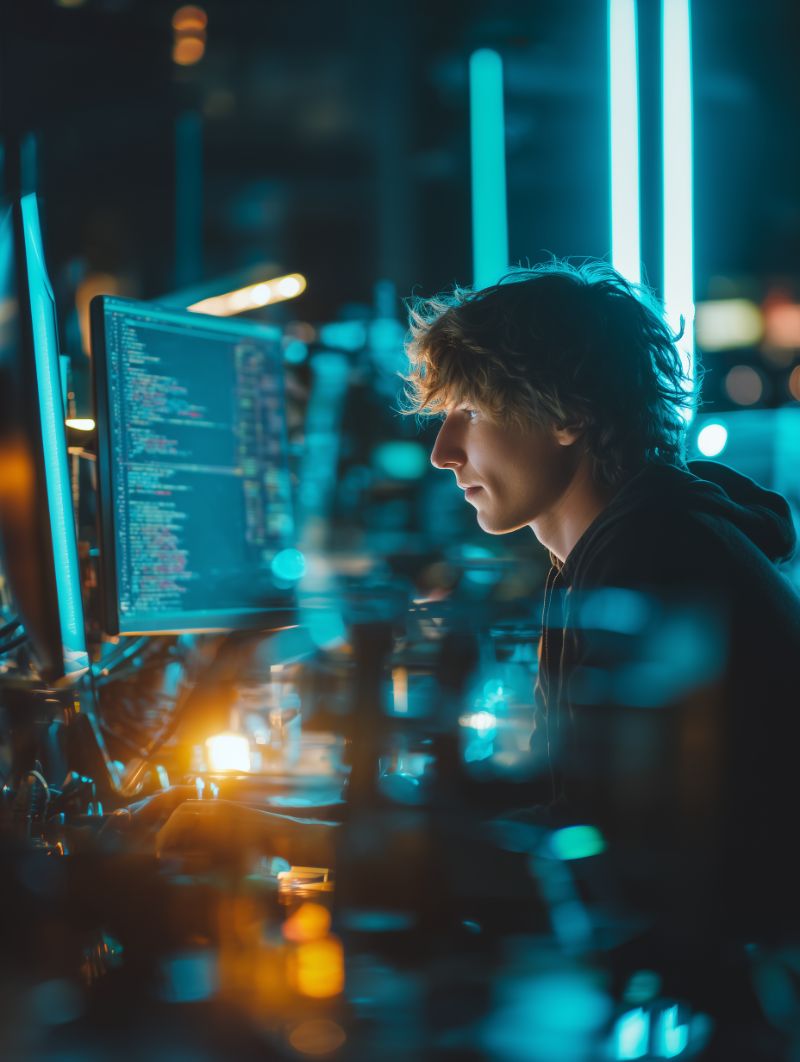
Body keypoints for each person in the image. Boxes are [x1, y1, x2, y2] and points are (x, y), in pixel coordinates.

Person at [402, 260, 800, 949]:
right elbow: (584, 816)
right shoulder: (628, 541)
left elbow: (613, 867)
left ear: (569, 412)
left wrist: (355, 844)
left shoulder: (652, 557)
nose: (443, 453)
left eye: (469, 413)